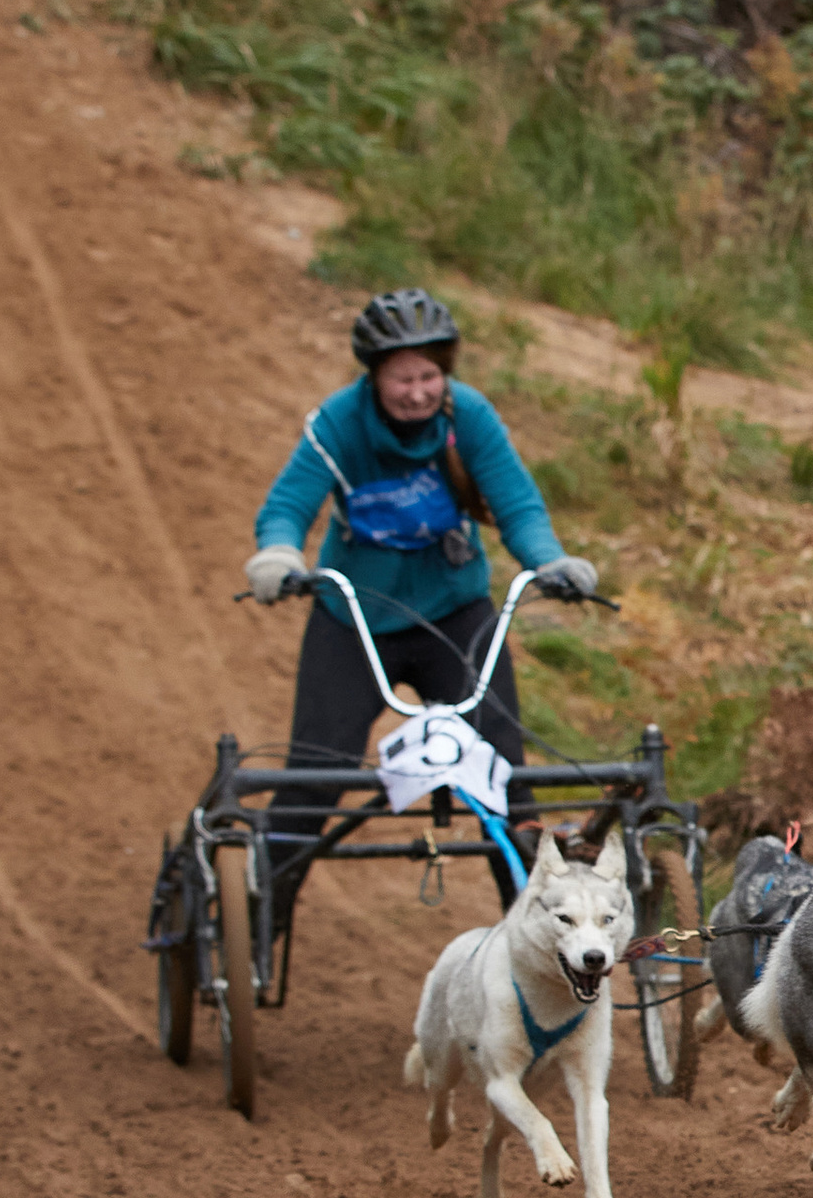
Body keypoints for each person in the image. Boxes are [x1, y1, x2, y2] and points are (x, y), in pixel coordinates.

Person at [242, 288, 595, 928]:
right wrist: (277, 557)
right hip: (355, 622)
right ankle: (258, 924)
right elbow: (288, 507)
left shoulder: (471, 418)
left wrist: (549, 561)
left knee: (506, 779)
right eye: (402, 378)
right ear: (374, 377)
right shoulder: (339, 424)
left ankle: (534, 935)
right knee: (313, 779)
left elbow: (517, 505)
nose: (417, 392)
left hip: (454, 616)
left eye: (429, 375)